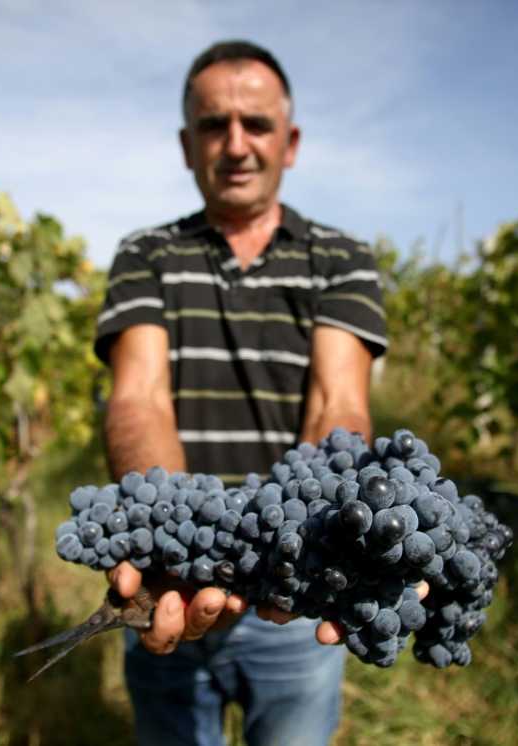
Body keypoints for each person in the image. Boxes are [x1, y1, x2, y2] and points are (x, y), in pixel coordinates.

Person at [93, 39, 387, 746]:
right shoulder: (147, 255)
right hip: (173, 588)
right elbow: (139, 400)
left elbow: (337, 407)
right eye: (212, 125)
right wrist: (172, 543)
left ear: (290, 143)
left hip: (291, 593)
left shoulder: (340, 258)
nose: (235, 144)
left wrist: (299, 547)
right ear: (186, 144)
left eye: (255, 124)